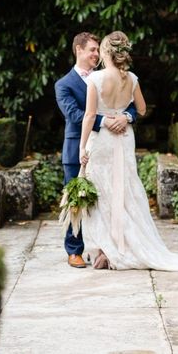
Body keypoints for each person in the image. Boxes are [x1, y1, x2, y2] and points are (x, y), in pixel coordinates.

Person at [78, 31, 178, 271]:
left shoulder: (95, 80)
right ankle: (119, 247)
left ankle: (109, 250)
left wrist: (82, 147)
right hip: (124, 137)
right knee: (125, 191)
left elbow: (89, 116)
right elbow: (142, 109)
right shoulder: (132, 79)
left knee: (102, 193)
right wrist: (126, 116)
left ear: (106, 52)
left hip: (103, 139)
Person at [55, 32, 138, 268]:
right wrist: (105, 120)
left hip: (111, 149)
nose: (95, 54)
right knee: (77, 200)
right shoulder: (64, 84)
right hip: (78, 149)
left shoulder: (111, 75)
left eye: (96, 50)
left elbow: (132, 104)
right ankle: (74, 250)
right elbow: (75, 115)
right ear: (78, 50)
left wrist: (126, 117)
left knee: (110, 198)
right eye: (91, 50)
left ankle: (106, 249)